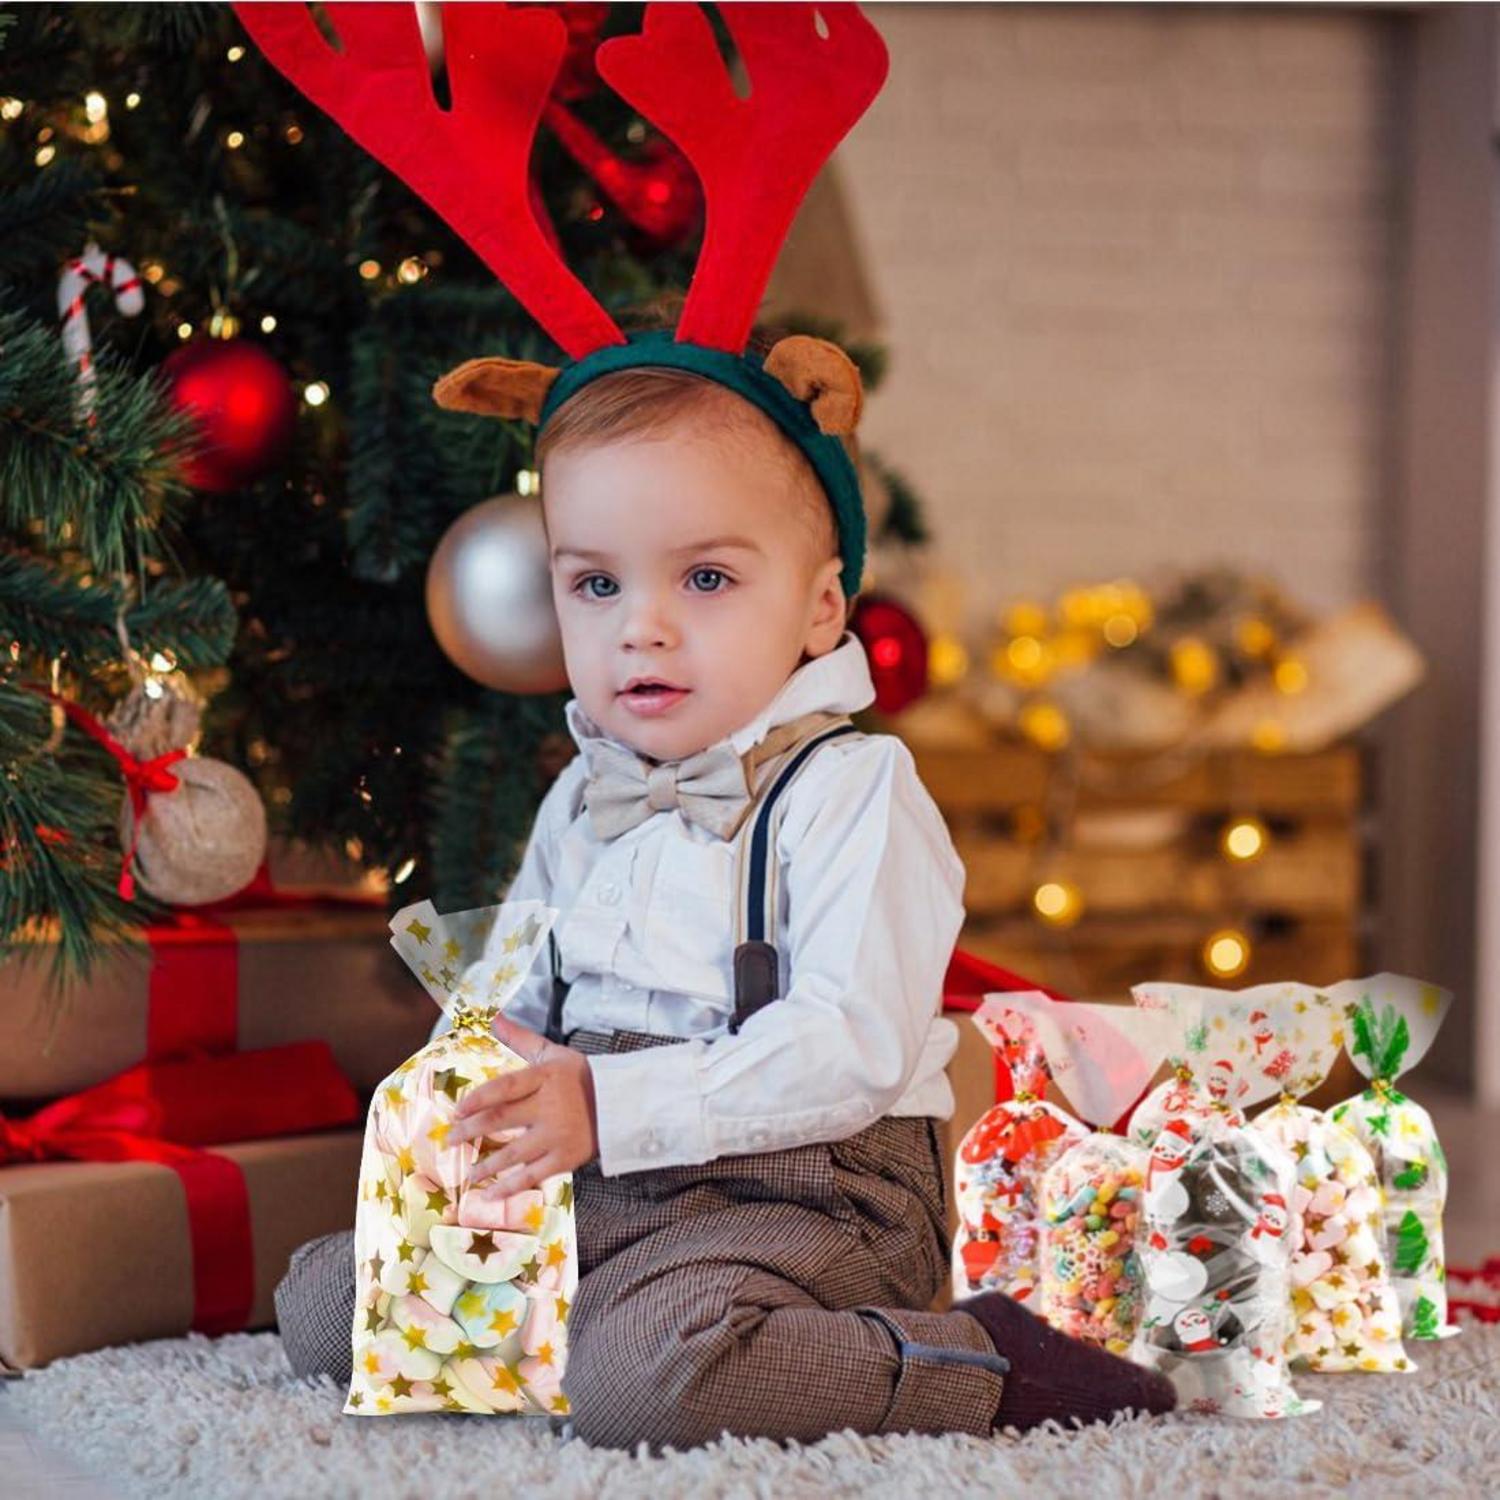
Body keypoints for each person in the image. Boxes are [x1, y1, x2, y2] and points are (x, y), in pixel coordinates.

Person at [275, 307, 1177, 1451]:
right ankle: (595, 1308)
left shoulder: (854, 790)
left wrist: (608, 1106)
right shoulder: (581, 796)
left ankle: (980, 1359)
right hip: (605, 1169)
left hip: (811, 1186)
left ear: (819, 608)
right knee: (324, 1305)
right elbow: (524, 1001)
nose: (641, 630)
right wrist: (474, 1088)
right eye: (595, 586)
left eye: (704, 578)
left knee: (646, 1383)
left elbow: (849, 1046)